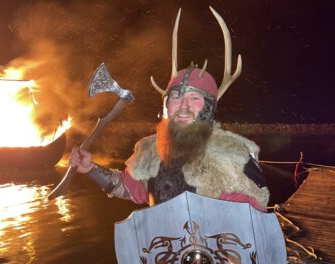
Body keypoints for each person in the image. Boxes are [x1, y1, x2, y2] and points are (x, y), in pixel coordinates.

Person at [69, 7, 269, 211]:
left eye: (194, 98)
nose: (184, 106)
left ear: (208, 107)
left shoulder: (234, 154)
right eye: (175, 97)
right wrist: (90, 168)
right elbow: (130, 189)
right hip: (163, 241)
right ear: (165, 105)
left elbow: (252, 220)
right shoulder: (149, 151)